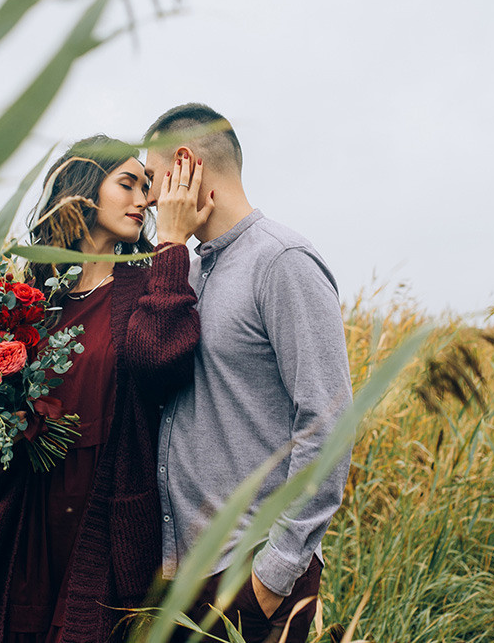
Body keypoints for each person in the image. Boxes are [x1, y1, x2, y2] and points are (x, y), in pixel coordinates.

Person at [0, 135, 213, 643]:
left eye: (148, 187)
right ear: (82, 189)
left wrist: (172, 247)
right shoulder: (29, 301)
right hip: (32, 525)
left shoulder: (147, 283)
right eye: (128, 183)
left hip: (110, 522)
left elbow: (162, 361)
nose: (144, 199)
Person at [143, 104, 353, 643]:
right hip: (179, 575)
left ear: (185, 165)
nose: (148, 197)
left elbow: (328, 424)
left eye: (151, 178)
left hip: (250, 577)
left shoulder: (283, 262)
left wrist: (274, 573)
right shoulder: (187, 269)